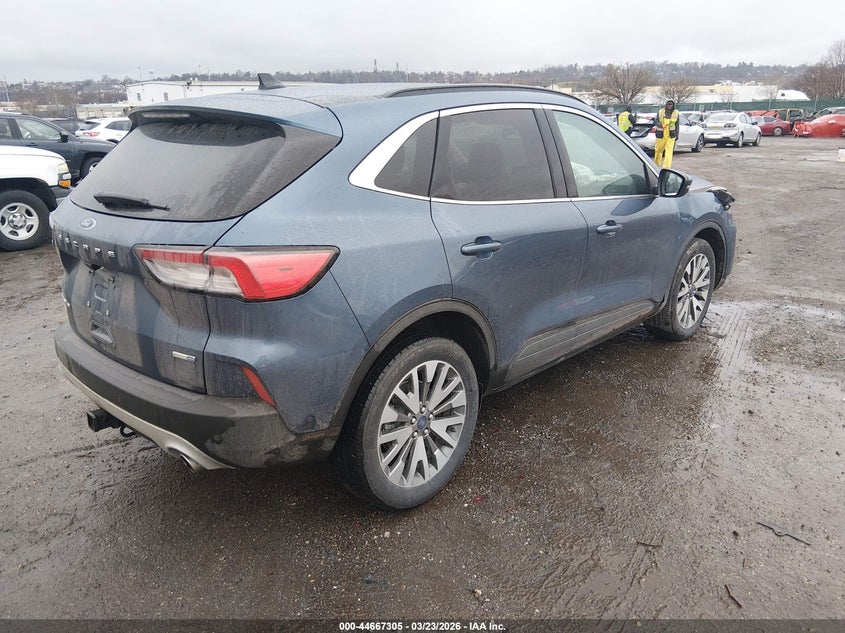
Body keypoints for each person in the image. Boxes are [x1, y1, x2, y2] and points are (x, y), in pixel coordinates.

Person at [654, 99, 679, 168]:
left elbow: (677, 124)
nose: (669, 106)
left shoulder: (676, 113)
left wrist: (677, 134)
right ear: (666, 105)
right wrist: (661, 125)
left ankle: (666, 167)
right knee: (658, 150)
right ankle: (655, 165)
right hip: (661, 134)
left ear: (673, 105)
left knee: (669, 152)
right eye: (668, 104)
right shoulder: (661, 112)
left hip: (671, 135)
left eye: (671, 104)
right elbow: (655, 121)